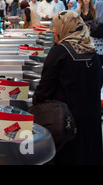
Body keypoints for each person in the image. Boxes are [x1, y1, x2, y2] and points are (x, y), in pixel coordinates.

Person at [33, 10, 102, 165]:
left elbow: (44, 90)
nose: (53, 30)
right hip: (91, 122)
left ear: (67, 28)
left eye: (56, 26)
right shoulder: (92, 52)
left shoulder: (59, 52)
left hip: (66, 124)